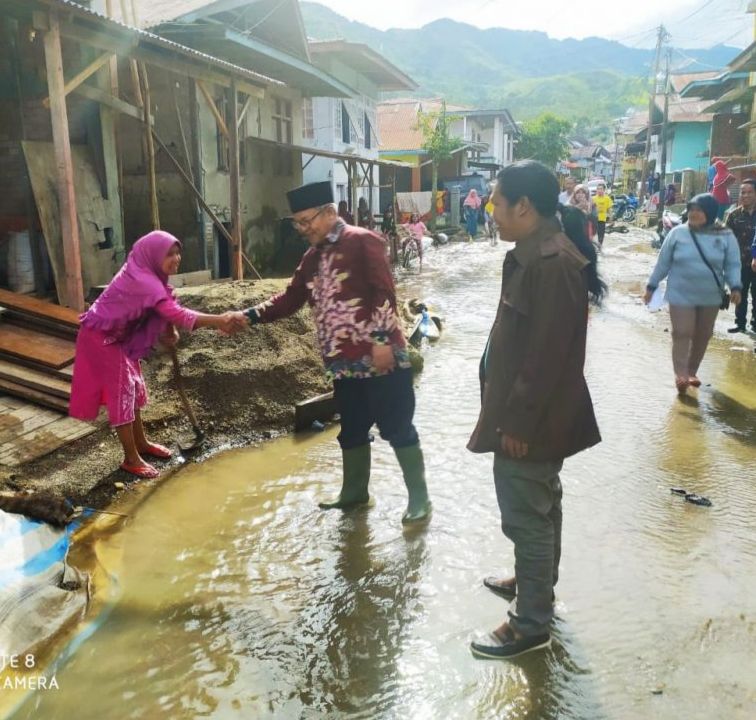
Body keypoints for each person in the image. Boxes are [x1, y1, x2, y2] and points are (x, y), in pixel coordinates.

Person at [468, 160, 603, 660]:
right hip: (532, 412)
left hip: (532, 418)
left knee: (526, 514)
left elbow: (546, 355)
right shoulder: (533, 253)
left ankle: (530, 624)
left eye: (497, 203)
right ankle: (535, 583)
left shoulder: (551, 263)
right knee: (540, 505)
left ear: (523, 206)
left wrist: (518, 421)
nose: (492, 212)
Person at [233, 181, 431, 524]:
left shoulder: (363, 241)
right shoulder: (312, 257)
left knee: (398, 427)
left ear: (330, 212)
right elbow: (290, 299)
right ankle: (355, 493)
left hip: (380, 358)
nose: (302, 229)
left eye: (308, 220)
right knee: (352, 429)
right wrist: (248, 316)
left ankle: (420, 500)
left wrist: (383, 341)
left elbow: (384, 291)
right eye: (298, 223)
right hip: (343, 364)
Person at [69, 231, 240, 478]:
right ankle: (131, 458)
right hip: (101, 337)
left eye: (177, 252)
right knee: (122, 394)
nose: (176, 258)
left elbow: (161, 306)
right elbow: (175, 312)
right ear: (153, 255)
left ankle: (142, 444)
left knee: (134, 388)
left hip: (118, 336)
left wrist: (168, 330)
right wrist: (220, 319)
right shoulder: (143, 279)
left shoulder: (147, 272)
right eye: (169, 253)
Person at [644, 193, 742, 393]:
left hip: (710, 296)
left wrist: (736, 286)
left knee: (703, 334)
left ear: (710, 213)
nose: (693, 213)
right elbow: (663, 262)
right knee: (682, 331)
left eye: (699, 210)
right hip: (680, 293)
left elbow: (732, 263)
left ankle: (691, 371)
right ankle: (680, 374)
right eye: (691, 209)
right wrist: (651, 286)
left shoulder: (725, 235)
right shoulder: (677, 233)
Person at [725, 178, 756, 333]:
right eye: (743, 192)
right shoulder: (733, 215)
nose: (746, 195)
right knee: (740, 293)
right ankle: (740, 323)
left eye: (750, 192)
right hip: (739, 263)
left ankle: (755, 324)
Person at [592, 182, 613, 247]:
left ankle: (599, 247)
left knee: (601, 235)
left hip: (602, 220)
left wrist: (611, 219)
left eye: (601, 189)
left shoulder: (607, 199)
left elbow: (609, 210)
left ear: (604, 190)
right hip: (594, 220)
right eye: (598, 189)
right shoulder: (593, 199)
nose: (599, 190)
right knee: (591, 235)